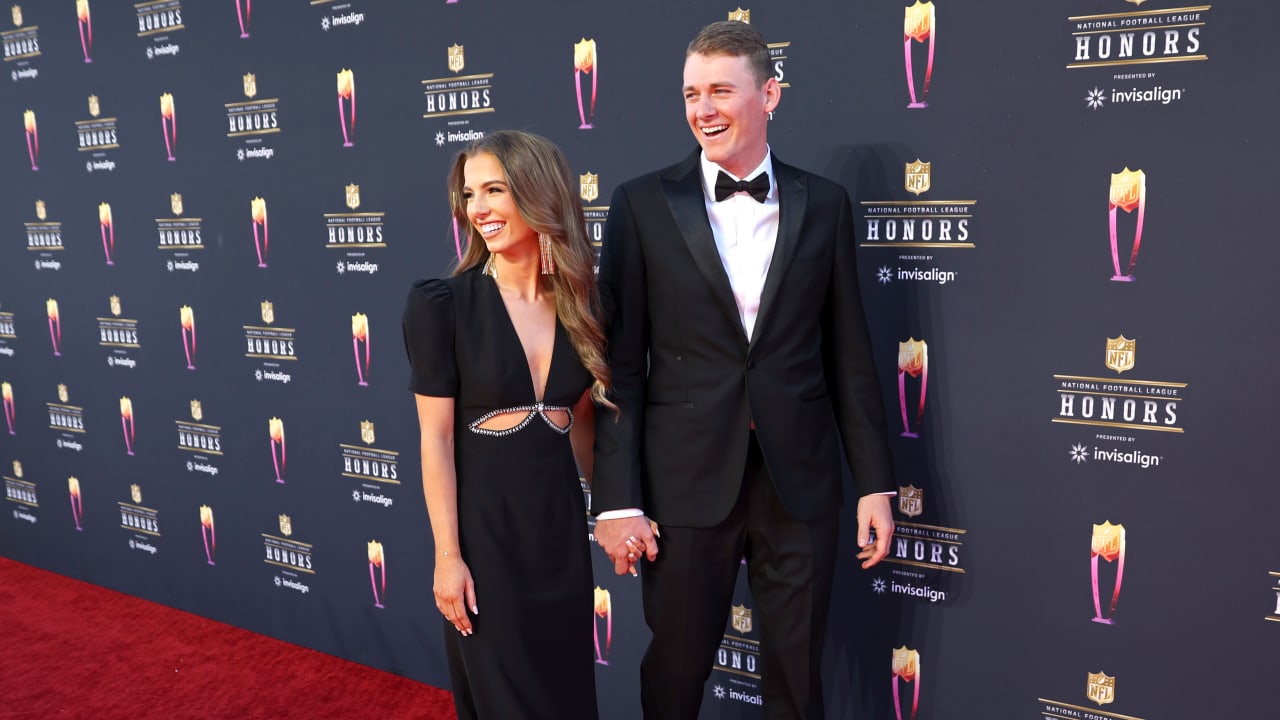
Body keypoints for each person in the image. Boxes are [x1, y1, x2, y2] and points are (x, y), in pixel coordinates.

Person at [591, 21, 897, 719]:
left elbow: (849, 353)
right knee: (674, 671)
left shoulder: (824, 204)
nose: (703, 109)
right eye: (691, 93)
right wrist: (615, 498)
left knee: (797, 677)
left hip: (801, 480)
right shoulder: (641, 205)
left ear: (770, 95)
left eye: (721, 91)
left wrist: (875, 483)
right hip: (684, 479)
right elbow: (621, 366)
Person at [402, 130, 609, 720]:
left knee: (566, 695)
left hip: (559, 534)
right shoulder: (443, 304)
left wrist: (620, 508)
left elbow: (583, 426)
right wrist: (448, 556)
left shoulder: (582, 305)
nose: (479, 209)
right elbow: (436, 439)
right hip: (485, 540)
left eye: (495, 190)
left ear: (538, 193)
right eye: (470, 195)